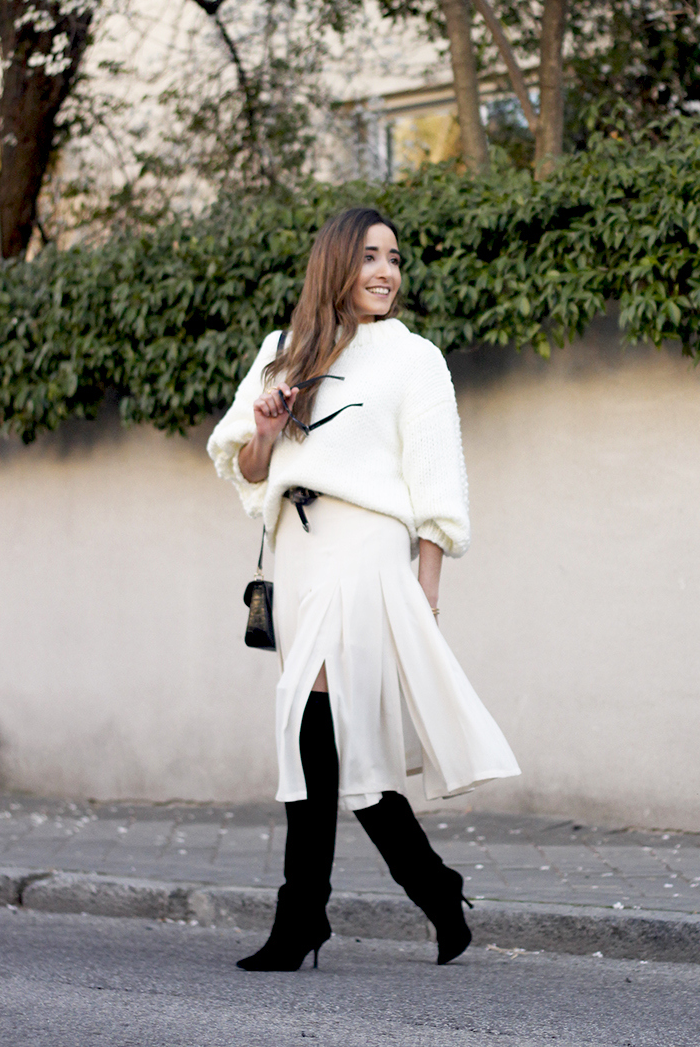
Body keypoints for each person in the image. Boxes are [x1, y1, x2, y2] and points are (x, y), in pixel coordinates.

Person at [207, 206, 519, 971]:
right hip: (302, 556)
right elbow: (247, 471)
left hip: (368, 553)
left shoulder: (415, 358)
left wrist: (428, 584)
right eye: (371, 257)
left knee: (308, 729)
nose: (386, 272)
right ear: (335, 265)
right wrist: (270, 427)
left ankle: (301, 919)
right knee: (341, 743)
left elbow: (437, 480)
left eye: (395, 258)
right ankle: (436, 892)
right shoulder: (282, 353)